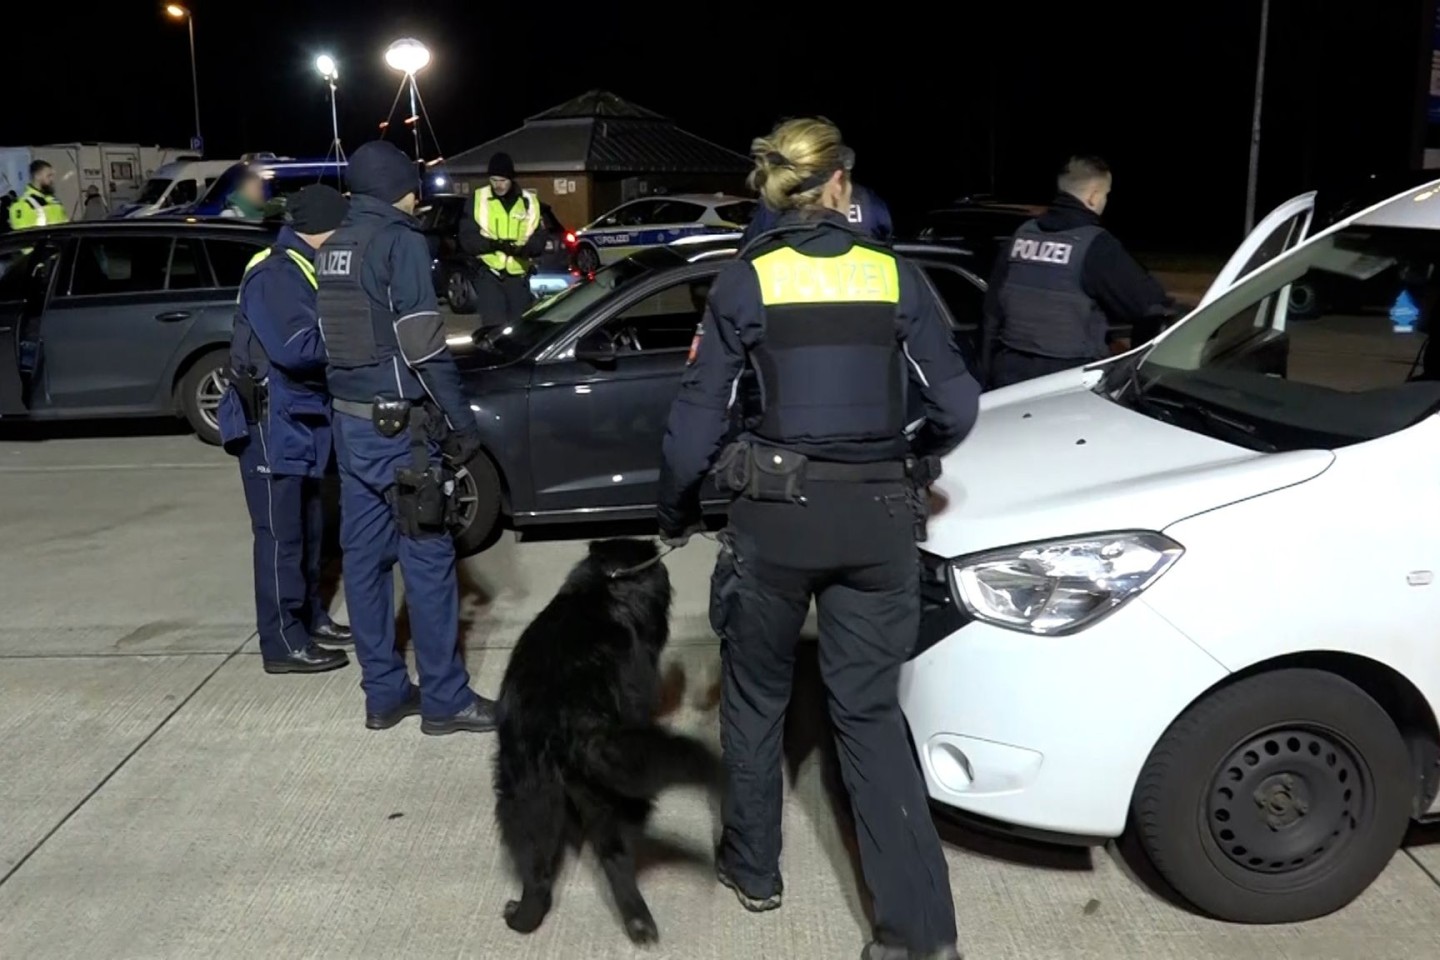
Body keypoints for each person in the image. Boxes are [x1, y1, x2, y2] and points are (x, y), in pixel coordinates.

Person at [656, 117, 979, 960]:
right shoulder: (893, 274)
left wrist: (676, 508)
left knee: (757, 701)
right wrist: (910, 457)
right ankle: (918, 937)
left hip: (774, 522)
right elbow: (958, 406)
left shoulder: (744, 282)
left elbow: (694, 422)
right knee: (869, 719)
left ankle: (754, 871)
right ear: (838, 184)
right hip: (877, 523)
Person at [315, 140, 497, 735]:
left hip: (350, 423)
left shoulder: (335, 245)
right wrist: (461, 420)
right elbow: (423, 343)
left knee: (364, 563)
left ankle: (384, 694)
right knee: (427, 559)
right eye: (412, 182)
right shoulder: (401, 241)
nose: (419, 192)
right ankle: (446, 699)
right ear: (394, 186)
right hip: (401, 432)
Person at [217, 185, 355, 675]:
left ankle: (310, 617)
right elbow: (296, 347)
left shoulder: (300, 265)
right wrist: (351, 333)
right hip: (270, 424)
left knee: (311, 527)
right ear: (323, 227)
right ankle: (282, 642)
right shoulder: (276, 273)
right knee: (281, 536)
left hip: (299, 420)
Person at [979, 155, 1175, 389]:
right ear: (1093, 196)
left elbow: (991, 315)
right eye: (1106, 194)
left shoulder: (1022, 235)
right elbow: (1149, 304)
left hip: (1008, 378)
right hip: (1067, 383)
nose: (1105, 201)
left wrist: (986, 376)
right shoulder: (1096, 245)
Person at [458, 152, 548, 326]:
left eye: (503, 181)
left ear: (511, 179)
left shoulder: (529, 202)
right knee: (493, 328)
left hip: (518, 275)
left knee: (520, 329)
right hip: (489, 274)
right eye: (494, 180)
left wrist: (522, 249)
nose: (498, 185)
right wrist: (494, 245)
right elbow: (467, 238)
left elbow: (540, 239)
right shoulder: (478, 199)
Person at [739, 147, 892, 247]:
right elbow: (887, 243)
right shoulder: (869, 202)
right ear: (837, 178)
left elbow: (747, 250)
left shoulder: (774, 205)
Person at [9, 160, 67, 231]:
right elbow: (23, 236)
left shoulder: (53, 200)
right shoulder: (22, 205)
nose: (52, 179)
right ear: (37, 176)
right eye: (49, 176)